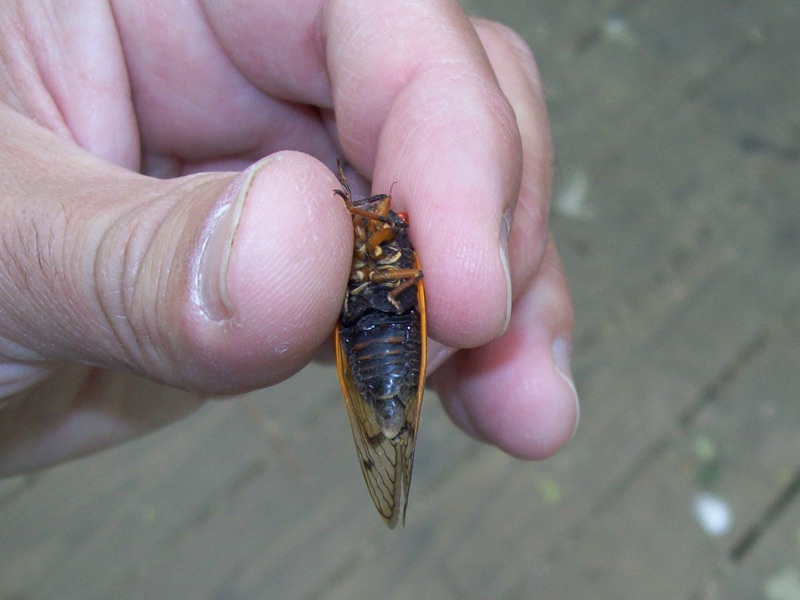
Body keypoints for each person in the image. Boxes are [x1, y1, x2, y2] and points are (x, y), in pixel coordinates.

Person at [0, 0, 578, 476]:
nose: (376, 224)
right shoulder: (370, 245)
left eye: (381, 223)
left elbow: (408, 287)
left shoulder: (396, 251)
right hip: (382, 329)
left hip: (384, 338)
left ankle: (388, 432)